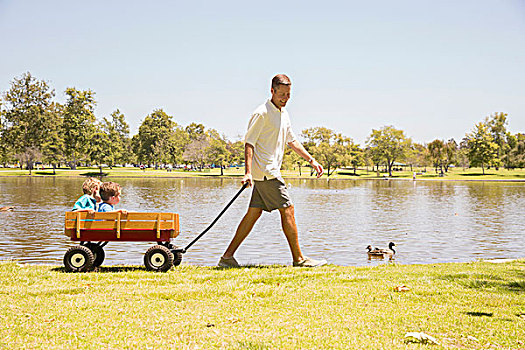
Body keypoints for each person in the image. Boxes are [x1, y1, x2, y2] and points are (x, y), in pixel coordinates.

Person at [219, 74, 327, 268]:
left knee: (253, 214)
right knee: (288, 209)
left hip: (267, 172)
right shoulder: (262, 113)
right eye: (282, 94)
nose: (285, 98)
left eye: (288, 95)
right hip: (267, 172)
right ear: (272, 91)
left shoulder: (283, 114)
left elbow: (292, 140)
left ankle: (227, 258)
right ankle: (299, 259)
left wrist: (312, 160)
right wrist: (247, 172)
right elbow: (249, 143)